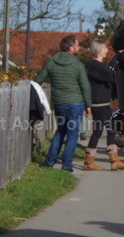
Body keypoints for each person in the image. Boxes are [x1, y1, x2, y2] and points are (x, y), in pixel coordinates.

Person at [35, 35, 91, 172]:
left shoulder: (51, 62)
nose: (79, 47)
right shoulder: (78, 64)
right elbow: (85, 86)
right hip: (76, 103)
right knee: (72, 134)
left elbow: (38, 81)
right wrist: (88, 104)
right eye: (77, 45)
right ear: (71, 48)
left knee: (60, 131)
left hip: (60, 103)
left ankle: (50, 161)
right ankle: (66, 165)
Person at [83, 40, 124, 171]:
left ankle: (113, 160)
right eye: (104, 48)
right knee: (102, 131)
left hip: (102, 102)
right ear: (98, 50)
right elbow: (111, 77)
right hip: (99, 103)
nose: (106, 50)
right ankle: (91, 161)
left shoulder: (99, 65)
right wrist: (117, 60)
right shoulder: (94, 66)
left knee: (107, 131)